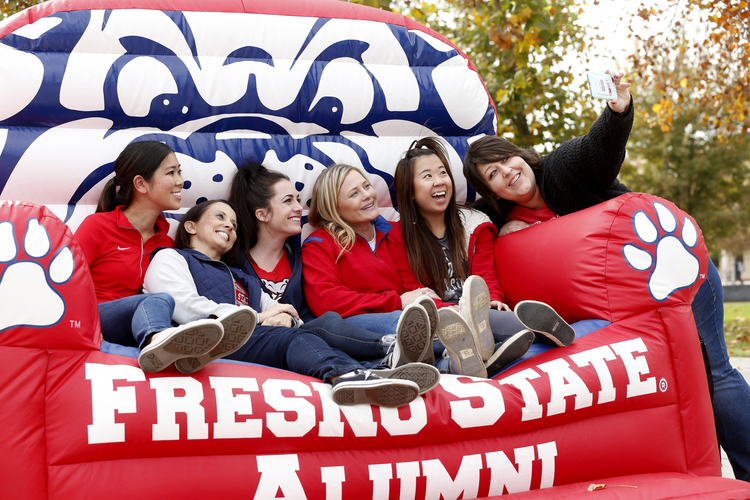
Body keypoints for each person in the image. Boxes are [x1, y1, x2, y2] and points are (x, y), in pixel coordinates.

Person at [463, 71, 750, 482]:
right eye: (492, 175)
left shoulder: (559, 172)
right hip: (629, 304)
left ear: (520, 155)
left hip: (671, 273)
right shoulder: (507, 222)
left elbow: (596, 150)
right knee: (679, 387)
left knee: (714, 374)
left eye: (505, 159)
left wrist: (617, 111)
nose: (506, 172)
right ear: (492, 192)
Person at [143, 199, 440, 406]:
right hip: (209, 342)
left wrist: (285, 316)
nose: (229, 227)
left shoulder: (241, 277)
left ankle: (388, 354)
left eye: (234, 224)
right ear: (191, 227)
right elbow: (180, 305)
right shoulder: (171, 257)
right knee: (293, 337)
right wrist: (259, 317)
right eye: (220, 218)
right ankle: (347, 374)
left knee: (317, 325)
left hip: (251, 337)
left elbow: (282, 311)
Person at [389, 137, 575, 377]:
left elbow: (485, 274)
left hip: (480, 313)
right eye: (427, 176)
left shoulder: (475, 223)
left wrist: (493, 299)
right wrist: (449, 312)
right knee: (457, 329)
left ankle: (531, 334)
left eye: (443, 173)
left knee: (486, 319)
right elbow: (414, 289)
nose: (440, 181)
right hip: (439, 319)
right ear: (410, 191)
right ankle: (506, 342)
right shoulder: (397, 236)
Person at [227, 161, 433, 367]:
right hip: (273, 344)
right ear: (262, 214)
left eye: (298, 200)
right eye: (288, 201)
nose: (299, 208)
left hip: (317, 345)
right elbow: (324, 305)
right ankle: (394, 349)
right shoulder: (232, 264)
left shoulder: (296, 260)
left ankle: (406, 359)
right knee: (338, 325)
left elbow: (310, 315)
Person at [75, 141, 239, 374]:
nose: (180, 181)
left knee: (167, 302)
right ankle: (159, 342)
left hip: (136, 324)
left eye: (179, 171)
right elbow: (66, 283)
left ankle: (185, 349)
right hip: (97, 319)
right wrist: (84, 324)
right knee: (157, 300)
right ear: (141, 183)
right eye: (171, 172)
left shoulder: (166, 242)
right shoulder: (97, 226)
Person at [302, 163, 439, 368]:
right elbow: (326, 300)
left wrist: (448, 309)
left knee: (448, 318)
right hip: (356, 324)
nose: (366, 195)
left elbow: (415, 290)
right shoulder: (320, 243)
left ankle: (451, 360)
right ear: (334, 207)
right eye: (354, 194)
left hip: (406, 313)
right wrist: (396, 302)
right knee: (407, 323)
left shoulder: (394, 232)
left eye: (366, 186)